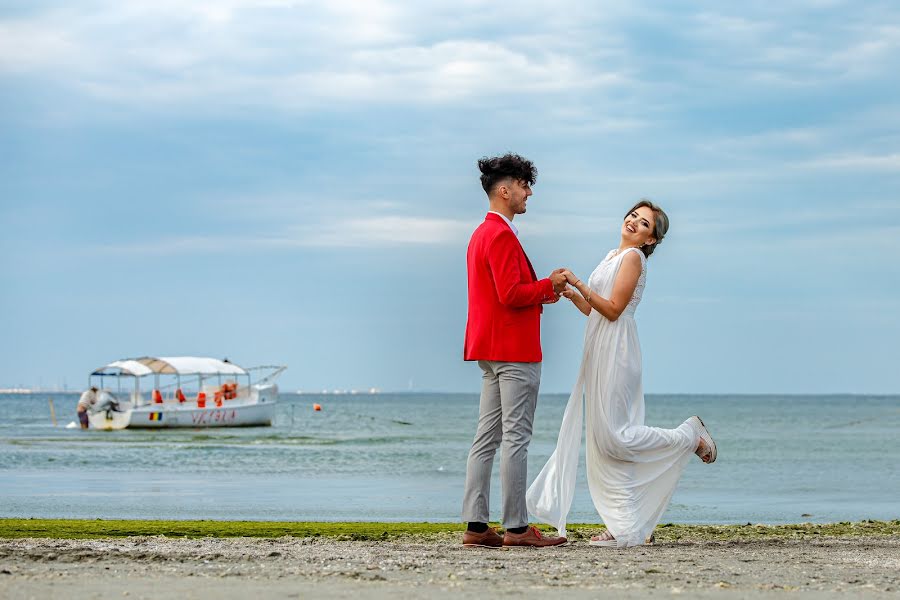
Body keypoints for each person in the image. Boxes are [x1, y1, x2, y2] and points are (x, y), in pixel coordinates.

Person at [526, 199, 717, 548]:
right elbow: (594, 310)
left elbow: (613, 310)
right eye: (633, 216)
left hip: (618, 348)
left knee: (618, 436)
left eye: (643, 223)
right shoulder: (612, 255)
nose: (633, 222)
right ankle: (625, 523)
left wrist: (581, 284)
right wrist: (571, 293)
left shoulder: (634, 258)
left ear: (651, 240)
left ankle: (689, 435)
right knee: (604, 440)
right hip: (599, 346)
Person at [461, 153, 569, 548]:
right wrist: (548, 284)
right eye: (524, 185)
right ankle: (517, 528)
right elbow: (509, 293)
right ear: (504, 190)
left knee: (486, 437)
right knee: (516, 438)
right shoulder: (502, 234)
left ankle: (475, 525)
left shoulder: (480, 234)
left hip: (488, 348)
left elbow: (500, 294)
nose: (528, 193)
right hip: (514, 350)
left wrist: (541, 295)